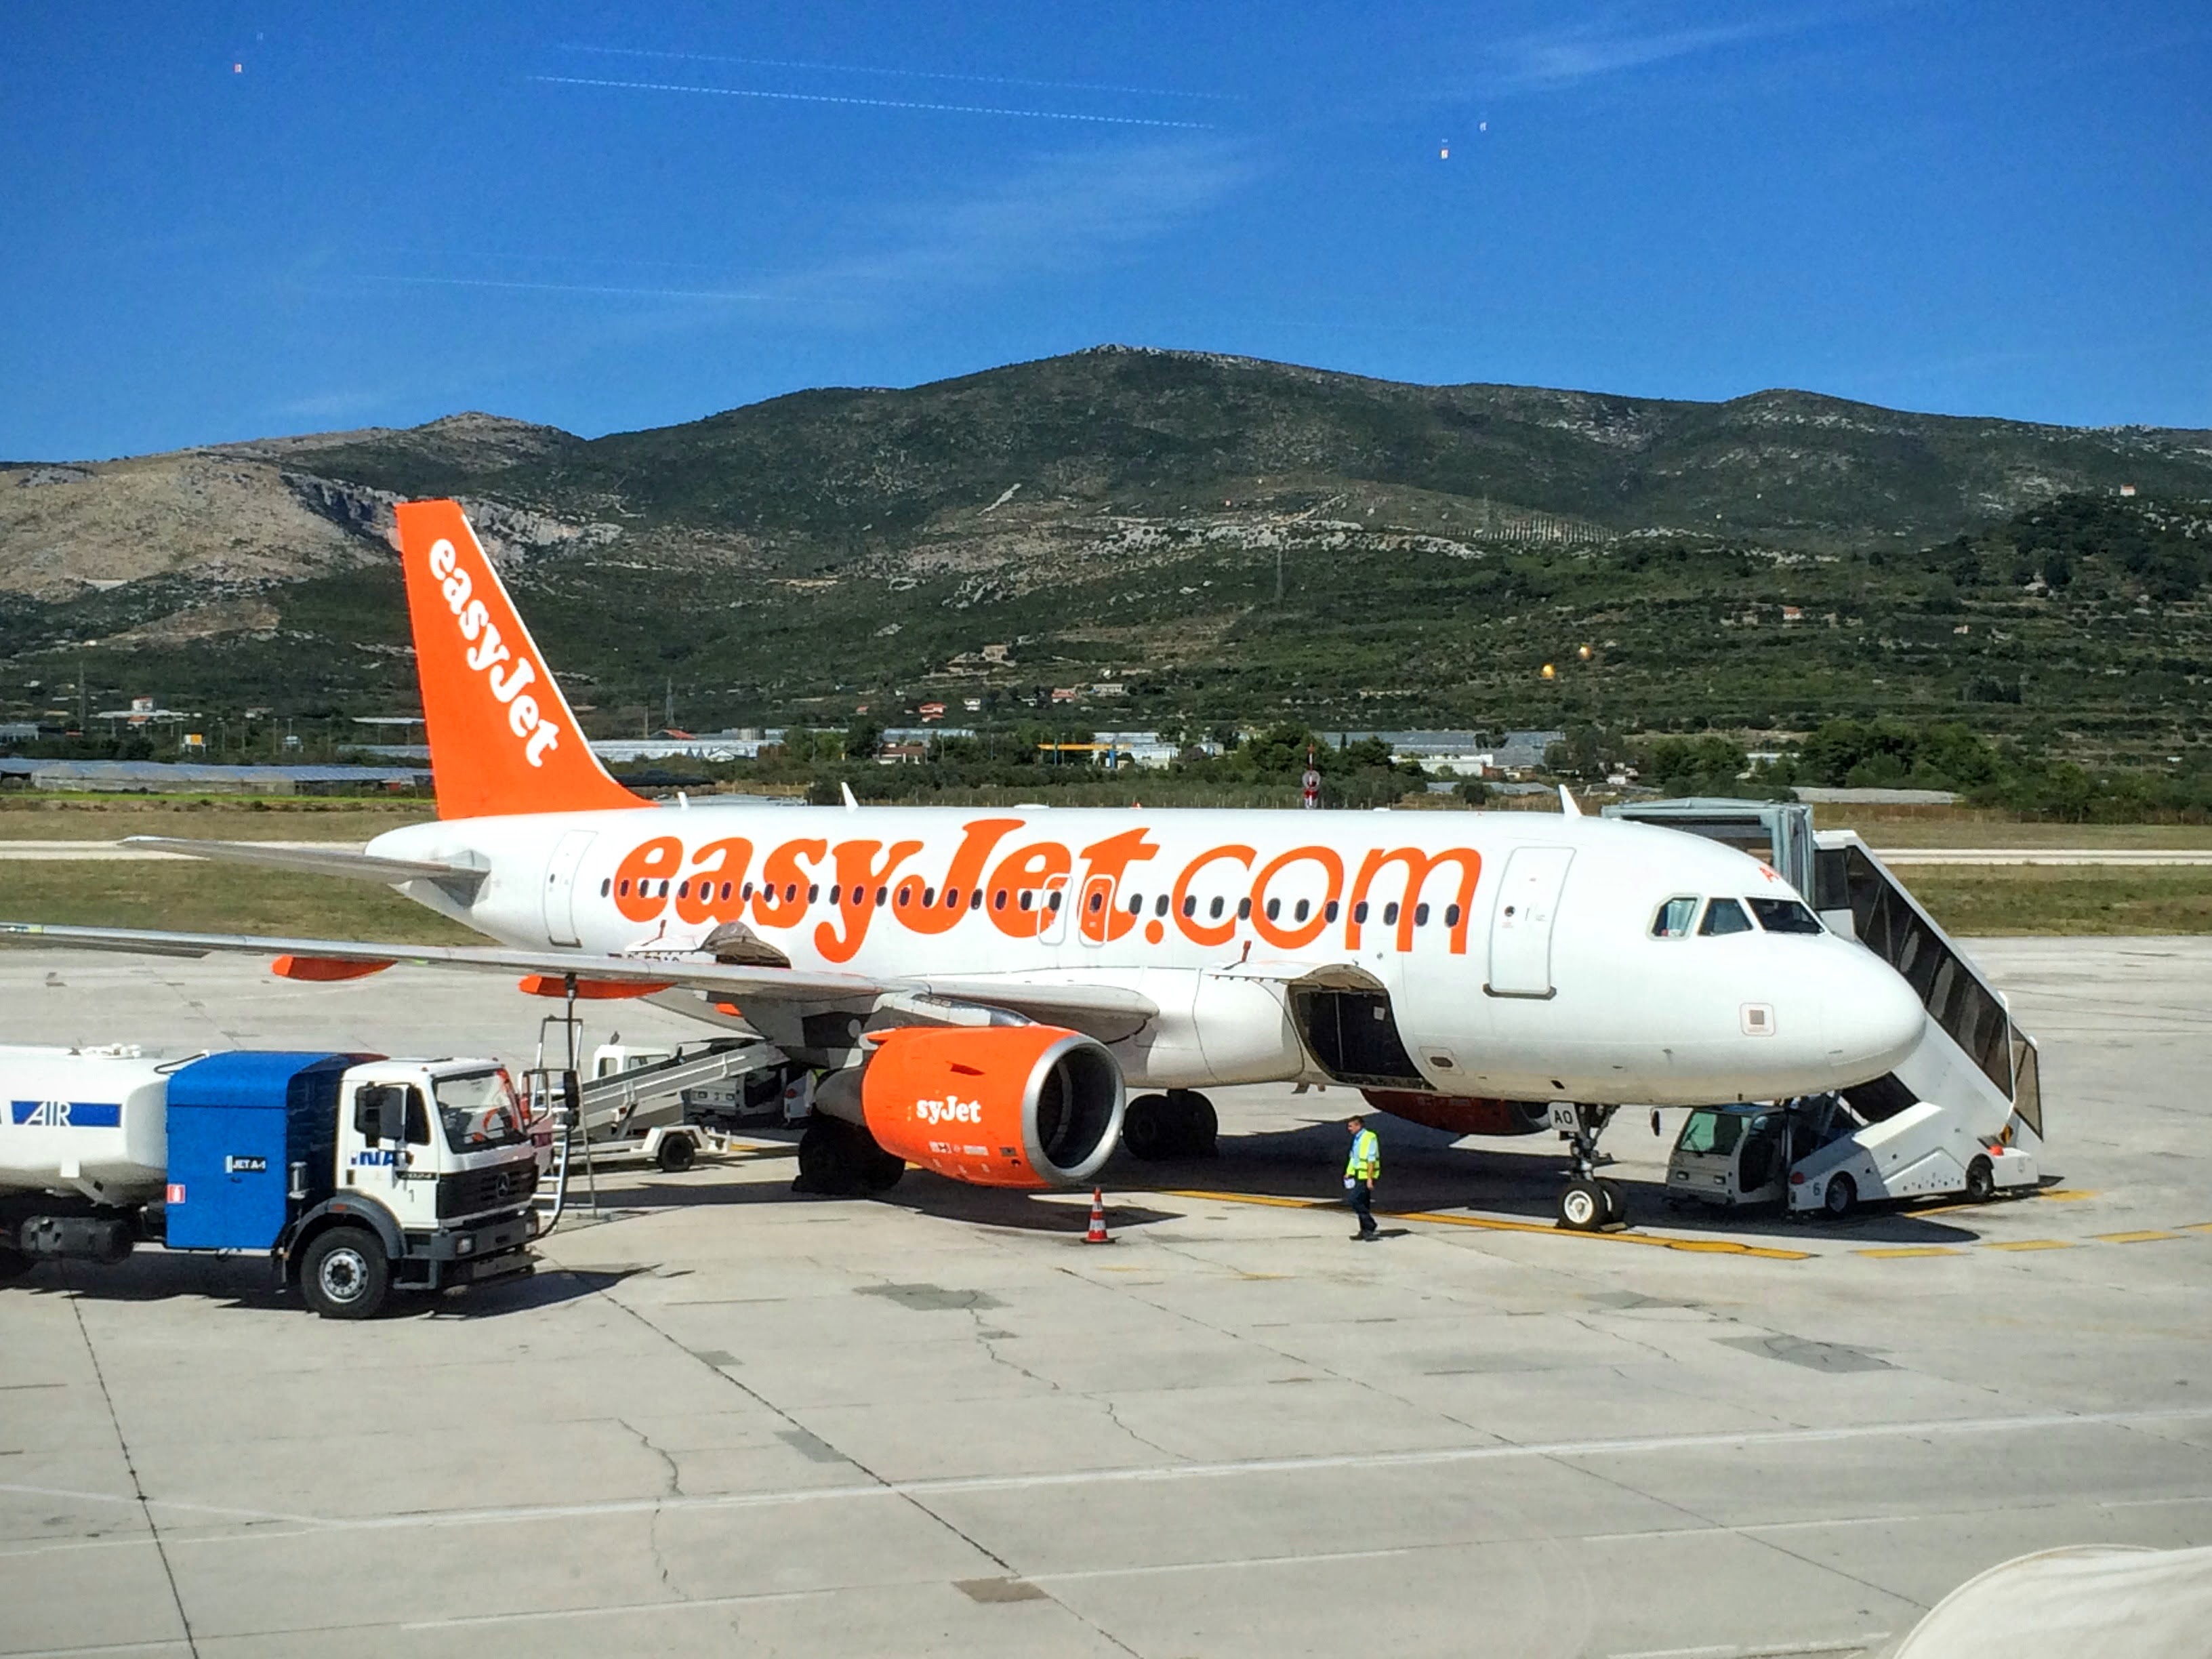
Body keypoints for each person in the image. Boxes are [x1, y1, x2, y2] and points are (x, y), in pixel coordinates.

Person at [1343, 1114, 1380, 1240]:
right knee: (1364, 1202)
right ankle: (1365, 1231)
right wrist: (1349, 1172)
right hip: (1358, 1174)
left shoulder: (1370, 1137)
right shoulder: (1357, 1139)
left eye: (1351, 1126)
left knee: (1354, 1200)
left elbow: (1371, 1159)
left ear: (1358, 1126)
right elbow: (1354, 1157)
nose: (1349, 1129)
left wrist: (1370, 1179)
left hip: (1366, 1176)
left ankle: (1370, 1225)